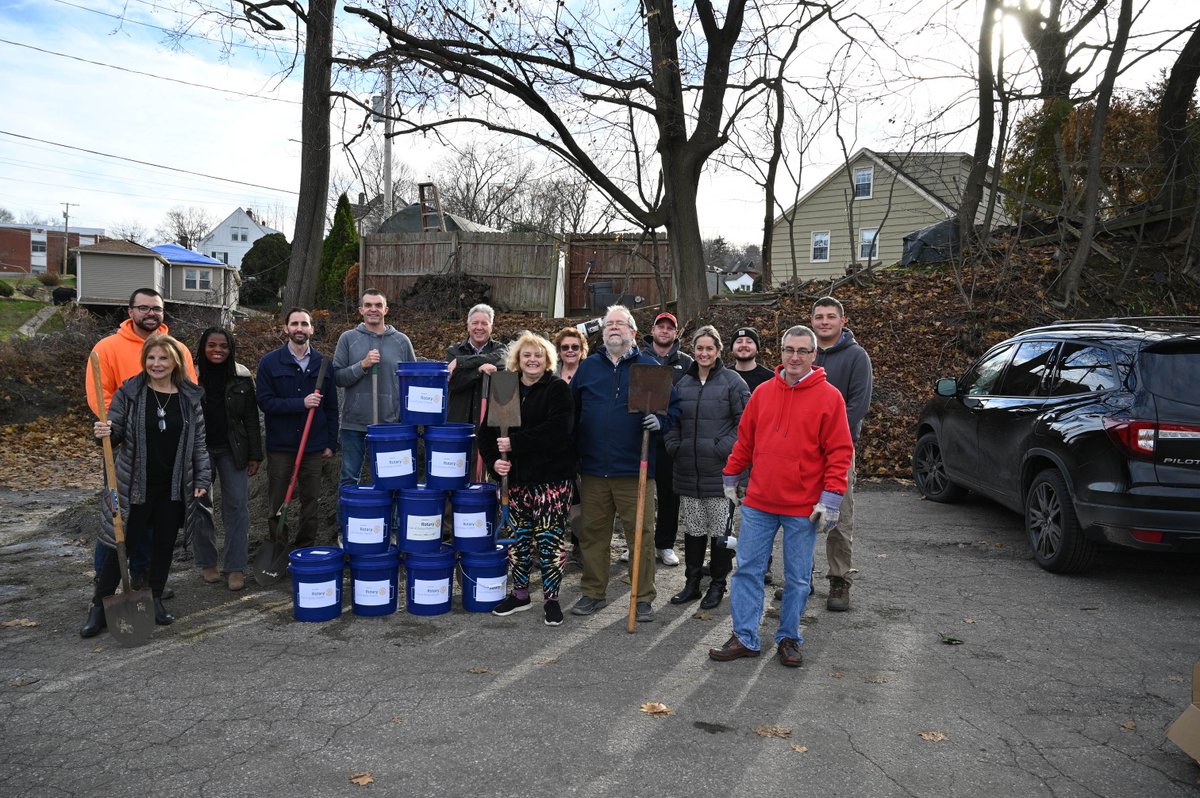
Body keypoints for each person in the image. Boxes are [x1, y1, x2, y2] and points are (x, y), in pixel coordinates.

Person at [708, 325, 852, 667]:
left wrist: (831, 497)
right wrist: (731, 473)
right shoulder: (763, 393)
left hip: (804, 507)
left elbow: (839, 453)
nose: (795, 357)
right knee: (746, 571)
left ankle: (789, 637)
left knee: (798, 579)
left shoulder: (829, 397)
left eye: (803, 351)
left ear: (814, 356)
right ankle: (745, 636)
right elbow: (745, 440)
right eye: (790, 350)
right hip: (759, 501)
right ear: (781, 352)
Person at [81, 335, 210, 637]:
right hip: (135, 484)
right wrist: (104, 432)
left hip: (174, 485)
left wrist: (202, 478)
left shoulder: (190, 397)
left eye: (163, 358)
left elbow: (200, 444)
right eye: (151, 358)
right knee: (120, 544)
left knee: (164, 545)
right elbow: (115, 434)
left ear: (175, 361)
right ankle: (99, 606)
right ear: (144, 361)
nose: (156, 364)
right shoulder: (131, 392)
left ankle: (153, 599)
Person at [569, 305, 679, 622]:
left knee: (641, 535)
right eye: (609, 324)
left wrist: (662, 424)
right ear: (603, 332)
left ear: (633, 331)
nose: (614, 328)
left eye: (621, 323)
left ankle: (642, 597)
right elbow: (573, 413)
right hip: (593, 469)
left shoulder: (650, 368)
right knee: (593, 535)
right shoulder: (588, 368)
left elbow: (673, 409)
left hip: (635, 469)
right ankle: (593, 592)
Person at [84, 287, 196, 598]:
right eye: (144, 308)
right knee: (118, 521)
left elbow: (188, 396)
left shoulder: (179, 349)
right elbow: (101, 395)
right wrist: (116, 428)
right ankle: (104, 588)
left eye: (156, 309)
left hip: (166, 456)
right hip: (125, 452)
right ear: (130, 311)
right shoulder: (106, 348)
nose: (151, 314)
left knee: (156, 525)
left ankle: (144, 580)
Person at [477, 331, 576, 626]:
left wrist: (515, 444)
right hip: (515, 481)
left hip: (551, 480)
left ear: (548, 359)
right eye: (527, 355)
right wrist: (496, 464)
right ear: (517, 359)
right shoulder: (505, 386)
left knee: (548, 542)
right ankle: (520, 595)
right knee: (518, 543)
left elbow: (559, 429)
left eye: (538, 355)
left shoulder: (557, 388)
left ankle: (552, 599)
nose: (532, 360)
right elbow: (486, 433)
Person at [663, 325, 749, 609]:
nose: (703, 353)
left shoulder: (733, 382)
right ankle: (692, 582)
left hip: (720, 474)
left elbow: (745, 425)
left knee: (720, 532)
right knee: (694, 529)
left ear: (718, 351)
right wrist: (675, 446)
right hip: (687, 470)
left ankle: (717, 584)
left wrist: (720, 448)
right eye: (699, 348)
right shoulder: (682, 385)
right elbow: (671, 421)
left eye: (709, 348)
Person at [256, 308, 339, 549]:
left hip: (313, 445)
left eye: (304, 324)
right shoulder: (270, 363)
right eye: (294, 324)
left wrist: (330, 442)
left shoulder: (323, 364)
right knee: (278, 500)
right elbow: (265, 402)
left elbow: (332, 408)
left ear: (312, 329)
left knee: (310, 500)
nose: (299, 328)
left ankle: (305, 546)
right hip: (281, 445)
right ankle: (278, 547)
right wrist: (300, 404)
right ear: (286, 328)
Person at [811, 296, 873, 612]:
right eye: (819, 316)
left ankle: (839, 581)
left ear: (842, 321)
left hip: (838, 451)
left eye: (830, 316)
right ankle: (800, 579)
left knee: (838, 517)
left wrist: (828, 438)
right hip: (803, 452)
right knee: (800, 517)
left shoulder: (856, 357)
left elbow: (858, 405)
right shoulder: (804, 354)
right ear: (812, 321)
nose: (824, 321)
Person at [193, 327, 263, 592]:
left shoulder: (242, 377)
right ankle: (207, 562)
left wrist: (255, 454)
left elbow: (251, 419)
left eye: (223, 346)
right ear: (203, 347)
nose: (218, 350)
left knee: (236, 507)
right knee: (200, 505)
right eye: (212, 345)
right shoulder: (189, 376)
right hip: (199, 451)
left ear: (231, 349)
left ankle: (235, 567)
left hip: (234, 450)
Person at [332, 289, 417, 485]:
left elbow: (412, 381)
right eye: (368, 305)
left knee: (393, 480)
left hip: (390, 424)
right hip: (354, 423)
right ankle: (347, 517)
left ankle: (390, 517)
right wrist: (362, 365)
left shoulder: (401, 341)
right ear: (360, 310)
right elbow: (337, 377)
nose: (373, 309)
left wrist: (405, 419)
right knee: (349, 479)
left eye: (378, 305)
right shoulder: (348, 338)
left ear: (386, 309)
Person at [638, 311, 692, 567]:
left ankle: (665, 544)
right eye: (661, 326)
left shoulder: (686, 362)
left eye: (670, 328)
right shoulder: (639, 358)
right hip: (641, 437)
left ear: (675, 332)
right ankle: (636, 542)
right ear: (653, 330)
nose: (665, 331)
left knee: (670, 495)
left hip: (671, 437)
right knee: (640, 493)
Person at [551, 326, 588, 567]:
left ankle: (580, 546)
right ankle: (552, 548)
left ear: (582, 349)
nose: (570, 351)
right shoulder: (551, 374)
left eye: (575, 346)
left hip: (583, 444)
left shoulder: (589, 373)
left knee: (581, 499)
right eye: (565, 347)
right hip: (555, 447)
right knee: (555, 500)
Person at [445, 303, 504, 425]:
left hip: (489, 425)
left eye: (484, 323)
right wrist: (478, 371)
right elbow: (454, 384)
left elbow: (499, 361)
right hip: (458, 423)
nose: (479, 327)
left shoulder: (500, 350)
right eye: (475, 323)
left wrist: (461, 362)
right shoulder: (453, 351)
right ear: (468, 326)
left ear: (491, 327)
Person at [729, 326, 774, 393]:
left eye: (749, 342)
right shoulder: (723, 377)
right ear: (732, 349)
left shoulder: (771, 379)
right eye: (739, 342)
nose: (744, 345)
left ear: (757, 350)